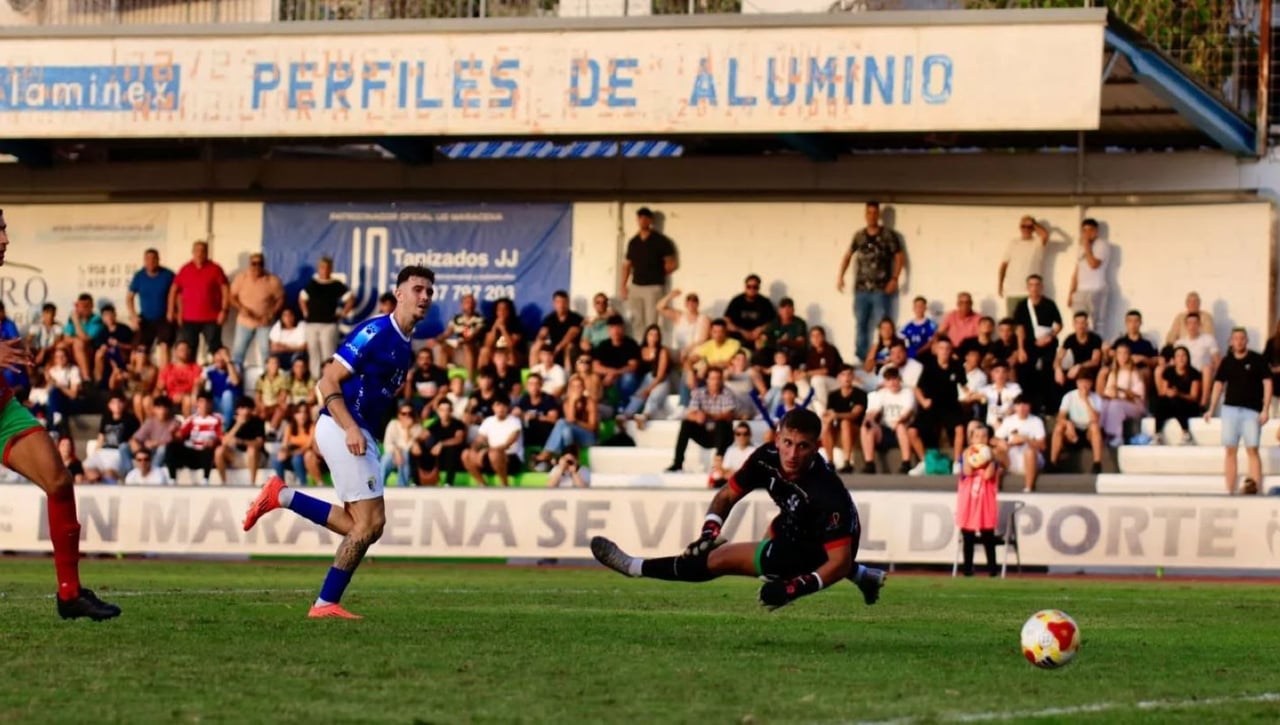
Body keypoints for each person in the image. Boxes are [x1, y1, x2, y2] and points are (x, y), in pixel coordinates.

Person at [242, 265, 434, 619]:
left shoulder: (405, 346)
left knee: (366, 525)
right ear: (400, 294)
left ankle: (282, 495)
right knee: (368, 525)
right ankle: (324, 603)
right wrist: (349, 428)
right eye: (418, 289)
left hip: (360, 432)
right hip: (343, 426)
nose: (425, 296)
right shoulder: (375, 331)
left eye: (429, 292)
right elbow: (328, 380)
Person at [591, 409, 887, 611]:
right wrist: (709, 530)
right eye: (787, 443)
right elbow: (726, 496)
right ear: (777, 437)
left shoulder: (826, 493)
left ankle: (634, 567)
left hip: (821, 544)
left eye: (803, 447)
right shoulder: (765, 458)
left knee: (719, 560)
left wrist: (793, 590)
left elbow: (837, 561)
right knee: (771, 531)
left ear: (817, 447)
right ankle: (863, 577)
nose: (792, 454)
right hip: (793, 523)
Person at [1204, 328, 1272, 495]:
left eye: (1242, 338)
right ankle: (1230, 490)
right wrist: (1211, 408)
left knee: (1252, 449)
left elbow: (1267, 383)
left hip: (1252, 411)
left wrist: (1265, 409)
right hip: (1230, 410)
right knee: (1230, 450)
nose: (1239, 342)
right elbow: (1219, 384)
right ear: (1231, 342)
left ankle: (1255, 487)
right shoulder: (1227, 362)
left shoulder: (1257, 359)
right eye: (1236, 339)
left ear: (1246, 340)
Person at [837, 201, 905, 362]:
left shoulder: (888, 235)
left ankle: (883, 356)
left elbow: (899, 257)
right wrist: (841, 276)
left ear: (878, 215)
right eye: (869, 213)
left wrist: (895, 278)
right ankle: (862, 358)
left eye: (875, 213)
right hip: (861, 289)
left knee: (883, 326)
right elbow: (848, 255)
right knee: (861, 324)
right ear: (865, 215)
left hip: (881, 289)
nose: (872, 216)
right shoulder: (859, 235)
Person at [620, 207, 677, 334]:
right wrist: (623, 285)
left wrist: (656, 272)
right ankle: (640, 349)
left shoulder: (661, 241)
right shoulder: (633, 242)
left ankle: (651, 350)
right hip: (635, 286)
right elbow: (627, 265)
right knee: (636, 320)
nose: (643, 221)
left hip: (653, 287)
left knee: (651, 322)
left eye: (646, 218)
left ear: (651, 220)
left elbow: (672, 264)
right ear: (637, 220)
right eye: (640, 218)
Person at [169, 240, 229, 359]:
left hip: (212, 318)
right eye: (197, 250)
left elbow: (225, 289)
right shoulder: (185, 269)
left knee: (215, 348)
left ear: (207, 252)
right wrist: (171, 310)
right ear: (192, 252)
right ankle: (191, 376)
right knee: (189, 351)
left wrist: (225, 310)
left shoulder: (215, 269)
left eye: (203, 251)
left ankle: (218, 375)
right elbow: (174, 290)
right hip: (189, 318)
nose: (199, 253)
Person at [299, 255, 355, 379]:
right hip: (312, 324)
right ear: (318, 268)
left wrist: (343, 313)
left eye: (327, 267)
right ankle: (315, 380)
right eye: (322, 267)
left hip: (329, 324)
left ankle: (328, 380)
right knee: (313, 353)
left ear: (331, 269)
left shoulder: (336, 285)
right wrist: (305, 312)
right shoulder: (312, 284)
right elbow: (302, 298)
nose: (324, 270)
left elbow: (350, 298)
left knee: (328, 354)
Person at [955, 423, 1000, 578]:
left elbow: (988, 475)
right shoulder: (966, 454)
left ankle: (993, 570)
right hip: (969, 501)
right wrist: (969, 454)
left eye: (984, 436)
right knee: (968, 536)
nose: (980, 439)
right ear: (971, 439)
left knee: (988, 535)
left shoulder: (992, 456)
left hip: (985, 501)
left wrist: (989, 457)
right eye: (977, 436)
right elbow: (967, 471)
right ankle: (967, 569)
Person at [229, 252, 285, 369]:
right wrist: (241, 308)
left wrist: (271, 314)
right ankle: (235, 382)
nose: (256, 267)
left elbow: (281, 298)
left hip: (265, 323)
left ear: (264, 265)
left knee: (266, 354)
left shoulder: (273, 280)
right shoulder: (241, 278)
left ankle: (268, 382)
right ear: (249, 264)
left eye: (260, 264)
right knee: (238, 353)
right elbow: (231, 296)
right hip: (244, 322)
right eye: (254, 264)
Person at [127, 247, 176, 350]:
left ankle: (165, 367)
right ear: (144, 261)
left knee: (164, 345)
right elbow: (129, 298)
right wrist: (133, 316)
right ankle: (143, 366)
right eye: (147, 259)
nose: (151, 261)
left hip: (164, 318)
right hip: (146, 318)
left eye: (154, 258)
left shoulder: (168, 275)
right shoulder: (139, 276)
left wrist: (173, 312)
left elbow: (178, 294)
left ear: (158, 259)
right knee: (140, 348)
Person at [1152, 346, 1201, 444]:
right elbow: (1163, 391)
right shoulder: (1168, 372)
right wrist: (1169, 392)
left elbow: (1194, 397)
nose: (1181, 358)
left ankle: (1186, 434)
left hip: (1188, 405)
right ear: (1174, 359)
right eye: (1178, 356)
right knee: (1161, 401)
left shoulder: (1194, 373)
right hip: (1172, 403)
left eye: (1183, 356)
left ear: (1188, 358)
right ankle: (1157, 434)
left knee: (1176, 400)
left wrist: (1178, 394)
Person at [274, 404, 321, 487]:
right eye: (299, 413)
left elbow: (308, 446)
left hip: (305, 456)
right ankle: (280, 486)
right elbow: (284, 444)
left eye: (304, 413)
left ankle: (304, 484)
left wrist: (291, 453)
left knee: (297, 459)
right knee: (277, 460)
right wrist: (283, 452)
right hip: (292, 454)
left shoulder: (312, 426)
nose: (302, 415)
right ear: (294, 415)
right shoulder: (290, 427)